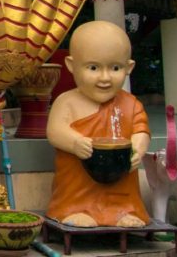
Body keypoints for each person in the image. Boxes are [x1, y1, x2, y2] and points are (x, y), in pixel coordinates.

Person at [46, 20, 150, 228]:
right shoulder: (66, 101)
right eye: (93, 67)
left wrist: (137, 150)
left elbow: (141, 130)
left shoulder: (130, 104)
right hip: (78, 180)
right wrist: (75, 142)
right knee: (75, 190)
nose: (105, 78)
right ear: (71, 65)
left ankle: (124, 211)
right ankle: (75, 209)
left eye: (115, 68)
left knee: (123, 187)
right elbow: (54, 131)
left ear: (129, 67)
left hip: (120, 176)